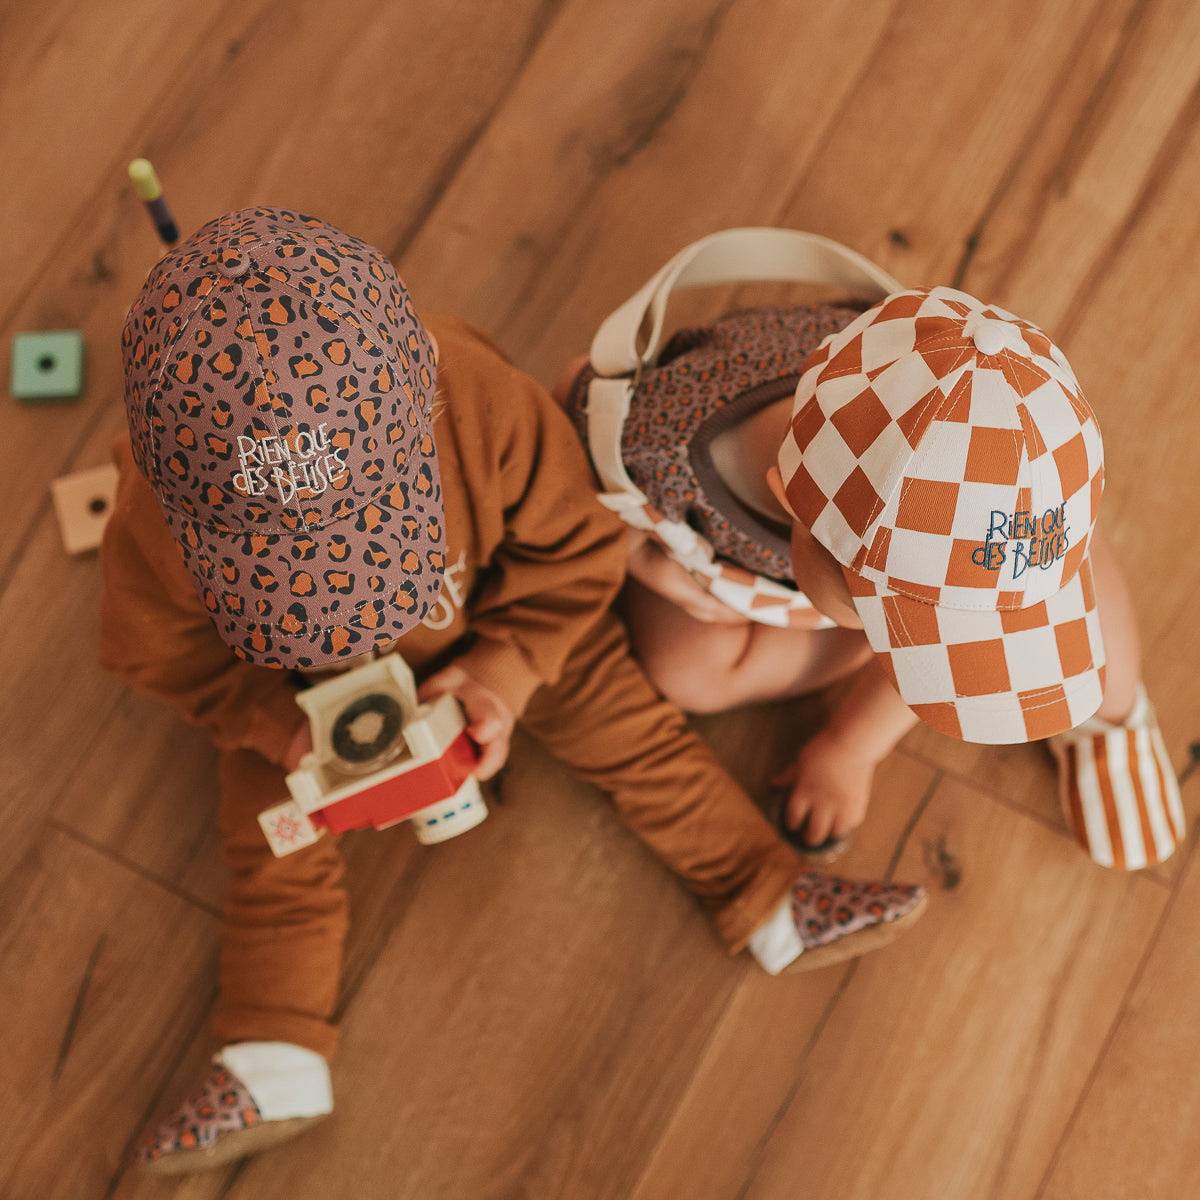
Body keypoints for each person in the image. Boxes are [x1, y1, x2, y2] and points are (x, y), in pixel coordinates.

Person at [99, 209, 926, 1174]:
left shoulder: (476, 400)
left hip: (500, 626)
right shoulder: (151, 526)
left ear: (420, 396)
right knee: (269, 841)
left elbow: (574, 549)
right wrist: (271, 724)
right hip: (298, 708)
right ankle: (273, 1049)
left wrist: (511, 665)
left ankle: (769, 892)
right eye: (297, 584)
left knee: (630, 727)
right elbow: (163, 659)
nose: (358, 609)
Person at [557, 261, 1184, 872]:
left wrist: (850, 747)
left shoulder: (918, 357)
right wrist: (640, 558)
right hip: (725, 552)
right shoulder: (656, 444)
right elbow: (569, 394)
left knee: (1039, 598)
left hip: (982, 529)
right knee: (688, 673)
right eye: (878, 608)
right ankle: (952, 632)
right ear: (790, 499)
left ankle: (1109, 710)